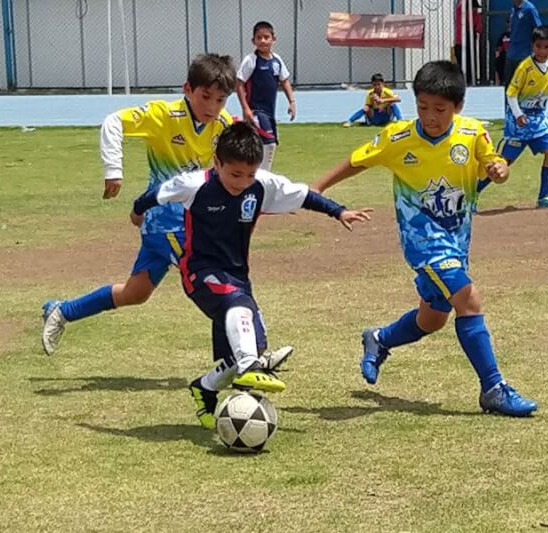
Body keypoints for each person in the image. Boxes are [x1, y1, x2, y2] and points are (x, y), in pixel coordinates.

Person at [40, 53, 292, 373]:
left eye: (220, 99)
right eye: (205, 97)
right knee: (216, 281)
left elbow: (237, 167)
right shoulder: (163, 114)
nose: (212, 106)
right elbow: (114, 122)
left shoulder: (224, 125)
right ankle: (251, 353)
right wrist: (113, 170)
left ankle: (62, 311)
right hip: (166, 221)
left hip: (188, 222)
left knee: (136, 292)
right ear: (188, 89)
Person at [313, 60, 538, 417]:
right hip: (422, 241)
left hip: (457, 239)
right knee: (468, 299)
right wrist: (319, 188)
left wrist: (501, 170)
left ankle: (379, 339)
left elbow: (494, 166)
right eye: (422, 107)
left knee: (433, 318)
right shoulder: (398, 137)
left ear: (458, 106)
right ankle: (493, 388)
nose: (430, 116)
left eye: (440, 109)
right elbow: (358, 160)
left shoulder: (472, 132)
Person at [130, 122, 372, 428]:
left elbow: (302, 195)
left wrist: (338, 211)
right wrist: (137, 211)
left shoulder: (261, 184)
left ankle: (204, 387)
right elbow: (157, 194)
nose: (242, 182)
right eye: (234, 174)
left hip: (237, 275)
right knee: (239, 311)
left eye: (249, 175)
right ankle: (248, 366)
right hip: (199, 272)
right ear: (216, 163)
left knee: (251, 343)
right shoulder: (195, 184)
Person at [483, 25, 548, 208]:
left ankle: (544, 197)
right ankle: (474, 192)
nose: (542, 51)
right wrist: (518, 114)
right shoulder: (525, 68)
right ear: (532, 46)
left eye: (546, 47)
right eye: (538, 46)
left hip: (538, 119)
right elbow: (511, 94)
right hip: (519, 120)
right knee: (504, 162)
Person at [236, 21, 296, 171]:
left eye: (266, 37)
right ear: (253, 41)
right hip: (256, 111)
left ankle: (250, 174)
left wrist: (292, 102)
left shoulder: (277, 60)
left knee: (256, 144)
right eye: (259, 37)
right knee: (269, 143)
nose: (263, 41)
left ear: (273, 39)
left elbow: (285, 80)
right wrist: (246, 109)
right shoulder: (251, 60)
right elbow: (239, 83)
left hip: (270, 112)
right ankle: (263, 177)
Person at [504, 1, 542, 87]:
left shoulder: (529, 9)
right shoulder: (513, 9)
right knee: (509, 87)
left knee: (523, 87)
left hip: (524, 55)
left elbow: (539, 31)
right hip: (511, 55)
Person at [454, 0, 483, 85]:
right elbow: (479, 29)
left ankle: (462, 81)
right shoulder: (474, 15)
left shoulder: (459, 12)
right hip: (468, 42)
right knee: (470, 64)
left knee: (461, 64)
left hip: (460, 42)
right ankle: (470, 81)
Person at [495, 15, 511, 86]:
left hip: (515, 55)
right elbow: (499, 47)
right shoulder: (503, 35)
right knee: (499, 60)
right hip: (505, 55)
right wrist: (498, 52)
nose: (509, 24)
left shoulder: (517, 35)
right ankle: (499, 81)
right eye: (508, 22)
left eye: (510, 22)